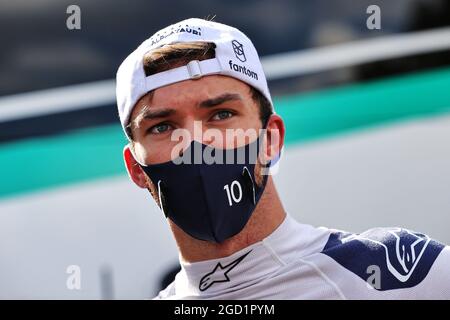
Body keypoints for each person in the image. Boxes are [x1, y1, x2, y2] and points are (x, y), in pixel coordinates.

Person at [116, 18, 450, 299]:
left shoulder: (404, 276)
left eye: (221, 114)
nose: (194, 143)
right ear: (136, 169)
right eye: (162, 126)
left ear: (271, 138)